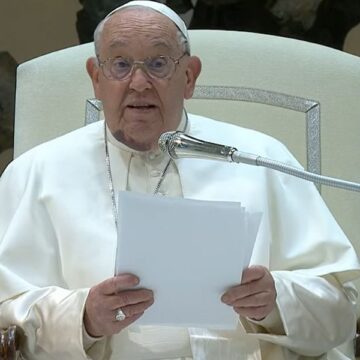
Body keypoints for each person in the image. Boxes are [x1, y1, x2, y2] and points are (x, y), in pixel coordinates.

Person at [0, 1, 359, 359]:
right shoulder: (37, 173)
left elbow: (340, 309)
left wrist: (276, 301)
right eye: (121, 65)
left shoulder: (259, 158)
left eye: (158, 64)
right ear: (96, 77)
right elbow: (8, 319)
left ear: (189, 76)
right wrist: (83, 317)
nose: (139, 83)